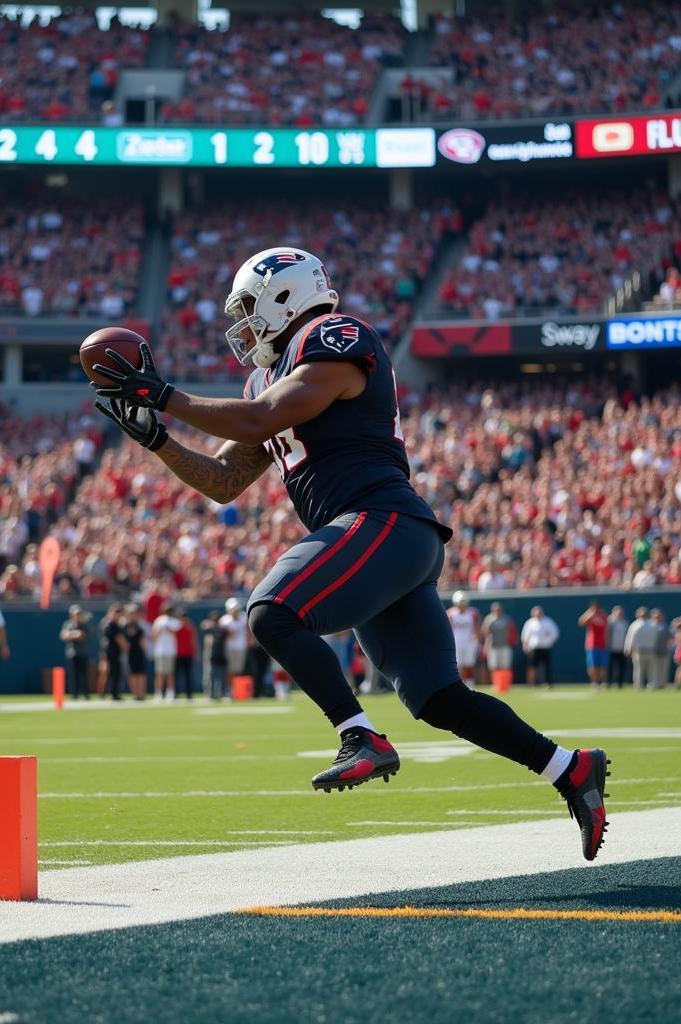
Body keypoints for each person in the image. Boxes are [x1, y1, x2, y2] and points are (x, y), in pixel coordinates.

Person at [91, 244, 610, 861]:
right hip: (380, 540)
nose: (246, 326)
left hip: (381, 520)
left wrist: (165, 394)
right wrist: (159, 441)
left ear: (287, 297)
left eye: (251, 310)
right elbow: (225, 481)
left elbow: (264, 417)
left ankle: (358, 734)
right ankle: (570, 769)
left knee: (271, 610)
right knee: (436, 697)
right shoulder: (268, 374)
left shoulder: (333, 335)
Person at [447, 591, 481, 688]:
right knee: (457, 665)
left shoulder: (473, 613)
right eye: (460, 602)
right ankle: (460, 685)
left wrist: (478, 641)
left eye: (464, 602)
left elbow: (477, 628)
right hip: (455, 642)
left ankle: (470, 685)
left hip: (469, 642)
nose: (462, 605)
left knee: (469, 664)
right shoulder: (450, 614)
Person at [521, 606, 559, 688]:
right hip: (534, 648)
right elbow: (525, 636)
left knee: (547, 666)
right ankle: (531, 683)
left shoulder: (548, 621)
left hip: (546, 648)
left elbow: (555, 633)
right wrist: (525, 645)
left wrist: (548, 641)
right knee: (532, 666)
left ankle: (547, 683)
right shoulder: (530, 623)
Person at [60, 605, 91, 700]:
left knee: (83, 674)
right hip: (72, 653)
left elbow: (82, 636)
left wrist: (71, 634)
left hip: (82, 653)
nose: (78, 616)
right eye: (76, 614)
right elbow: (63, 635)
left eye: (79, 614)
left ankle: (85, 693)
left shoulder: (84, 624)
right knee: (73, 675)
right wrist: (74, 634)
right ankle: (74, 694)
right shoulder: (68, 624)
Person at [151, 603, 180, 701]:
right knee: (159, 672)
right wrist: (158, 631)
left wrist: (168, 629)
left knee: (169, 673)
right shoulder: (159, 620)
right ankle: (158, 692)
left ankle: (170, 692)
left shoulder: (175, 621)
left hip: (170, 651)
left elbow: (177, 633)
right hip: (160, 650)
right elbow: (153, 636)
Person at [481, 602, 514, 688]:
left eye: (499, 609)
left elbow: (512, 631)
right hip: (493, 646)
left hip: (505, 645)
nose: (497, 611)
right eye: (495, 609)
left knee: (505, 666)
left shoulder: (506, 619)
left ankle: (505, 684)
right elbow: (485, 632)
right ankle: (495, 684)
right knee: (494, 666)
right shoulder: (489, 619)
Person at [219, 597, 249, 691]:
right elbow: (220, 636)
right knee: (230, 669)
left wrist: (249, 640)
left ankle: (237, 690)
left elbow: (248, 630)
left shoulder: (244, 617)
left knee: (239, 669)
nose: (234, 611)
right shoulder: (224, 620)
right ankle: (229, 690)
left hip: (241, 646)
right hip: (229, 647)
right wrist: (227, 634)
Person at [624, 607, 657, 690]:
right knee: (642, 669)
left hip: (645, 649)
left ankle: (642, 685)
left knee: (643, 669)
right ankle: (645, 685)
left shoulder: (637, 625)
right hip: (641, 649)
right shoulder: (650, 624)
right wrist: (628, 648)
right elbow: (630, 637)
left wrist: (628, 648)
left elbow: (630, 638)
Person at [578, 601, 608, 689]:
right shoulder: (590, 616)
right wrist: (590, 613)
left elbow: (606, 629)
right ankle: (594, 682)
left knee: (603, 666)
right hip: (591, 645)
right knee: (592, 666)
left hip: (602, 645)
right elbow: (581, 622)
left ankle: (603, 682)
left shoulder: (604, 616)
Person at [100, 604, 127, 700]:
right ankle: (111, 693)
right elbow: (118, 638)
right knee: (111, 672)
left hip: (113, 652)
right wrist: (125, 647)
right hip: (110, 652)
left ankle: (110, 693)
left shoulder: (113, 623)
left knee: (113, 673)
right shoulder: (110, 624)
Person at [201, 612, 229, 700]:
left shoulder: (222, 630)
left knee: (222, 676)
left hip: (222, 655)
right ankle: (211, 694)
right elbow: (203, 626)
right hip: (212, 655)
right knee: (211, 676)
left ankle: (223, 693)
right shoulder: (210, 629)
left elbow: (228, 633)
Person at [122, 605, 148, 700]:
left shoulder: (140, 626)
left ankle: (141, 694)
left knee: (141, 674)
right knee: (132, 674)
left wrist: (144, 651)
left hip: (139, 653)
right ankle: (135, 694)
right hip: (130, 653)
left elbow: (142, 641)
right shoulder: (124, 626)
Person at [174, 609, 197, 699]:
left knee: (188, 675)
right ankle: (176, 693)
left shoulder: (190, 627)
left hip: (188, 654)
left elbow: (193, 640)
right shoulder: (176, 627)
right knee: (177, 675)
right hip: (178, 654)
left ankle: (189, 694)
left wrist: (195, 652)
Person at [607, 606, 628, 689]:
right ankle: (608, 683)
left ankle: (620, 684)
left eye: (620, 613)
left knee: (621, 667)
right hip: (612, 648)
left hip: (622, 649)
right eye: (617, 613)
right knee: (610, 667)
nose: (619, 614)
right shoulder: (610, 622)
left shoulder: (625, 623)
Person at [650, 609, 671, 690]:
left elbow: (670, 637)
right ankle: (655, 684)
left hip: (664, 651)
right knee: (654, 669)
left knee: (664, 669)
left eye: (659, 616)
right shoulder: (650, 625)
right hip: (653, 651)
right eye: (656, 616)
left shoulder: (665, 626)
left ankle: (663, 685)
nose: (657, 617)